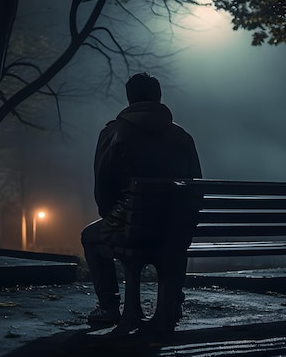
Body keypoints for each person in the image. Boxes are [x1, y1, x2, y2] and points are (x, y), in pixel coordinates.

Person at [81, 72, 202, 325]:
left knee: (89, 236)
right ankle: (173, 302)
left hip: (128, 224)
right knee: (176, 230)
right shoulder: (182, 137)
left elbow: (103, 189)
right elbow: (195, 189)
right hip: (174, 228)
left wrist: (112, 216)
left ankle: (109, 307)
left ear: (129, 99)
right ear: (158, 98)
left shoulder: (114, 132)